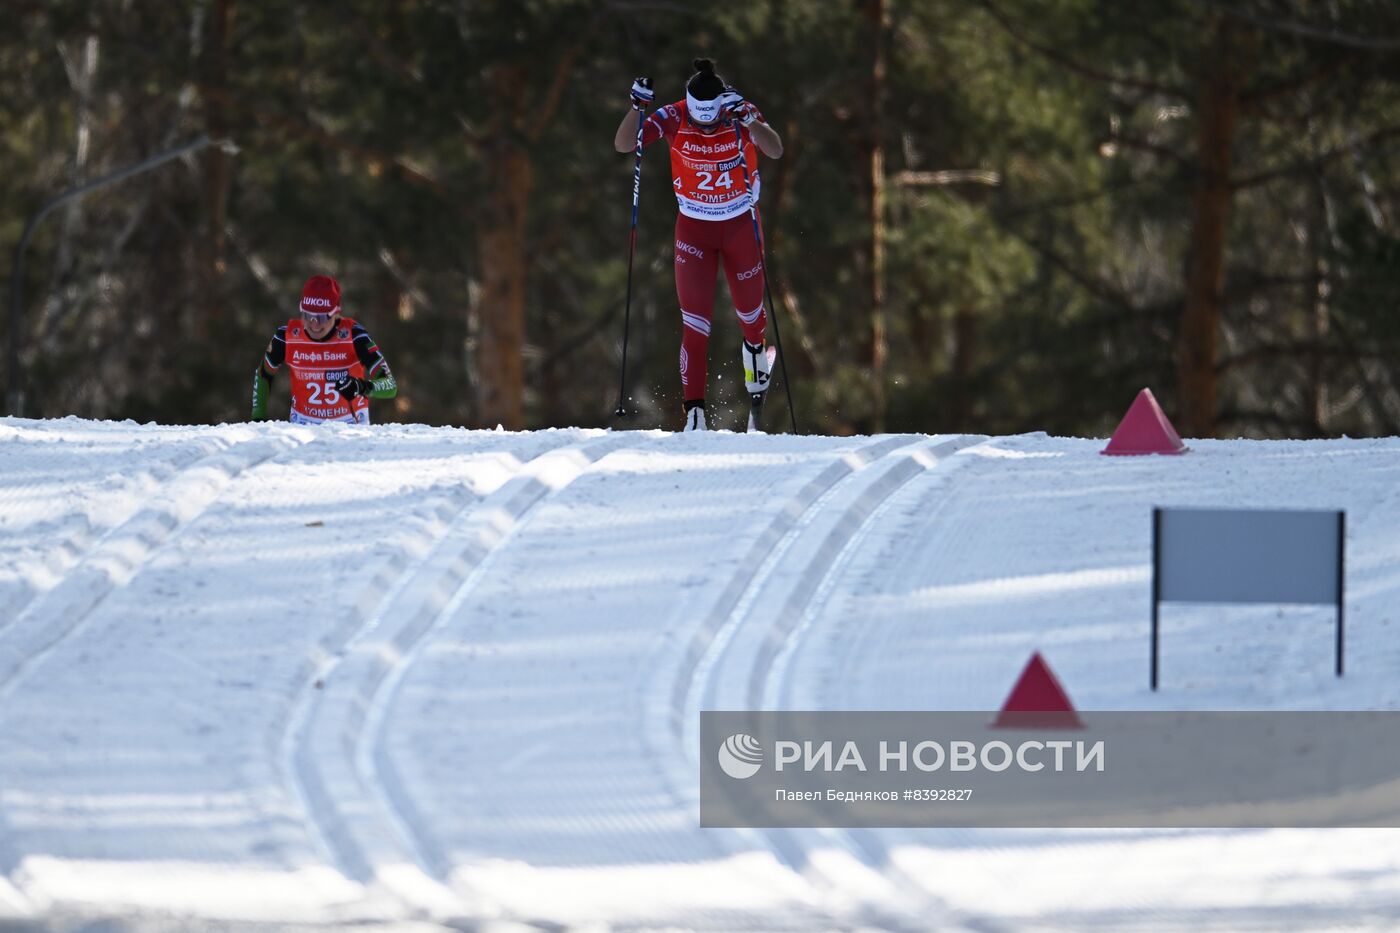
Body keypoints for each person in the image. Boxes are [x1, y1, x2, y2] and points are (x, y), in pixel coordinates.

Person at [614, 58, 784, 431]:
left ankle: (756, 376)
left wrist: (749, 121)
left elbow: (775, 150)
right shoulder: (674, 116)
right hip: (694, 230)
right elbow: (625, 144)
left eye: (712, 122)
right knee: (695, 323)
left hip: (740, 225)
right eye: (699, 122)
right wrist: (637, 109)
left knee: (751, 318)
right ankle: (694, 415)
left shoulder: (739, 110)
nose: (706, 128)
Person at [251, 274, 397, 424]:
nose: (314, 324)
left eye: (321, 317)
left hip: (349, 427)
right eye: (308, 315)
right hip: (303, 426)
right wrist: (258, 418)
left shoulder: (355, 336)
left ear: (335, 313)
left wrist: (362, 387)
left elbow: (390, 386)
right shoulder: (286, 337)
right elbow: (263, 375)